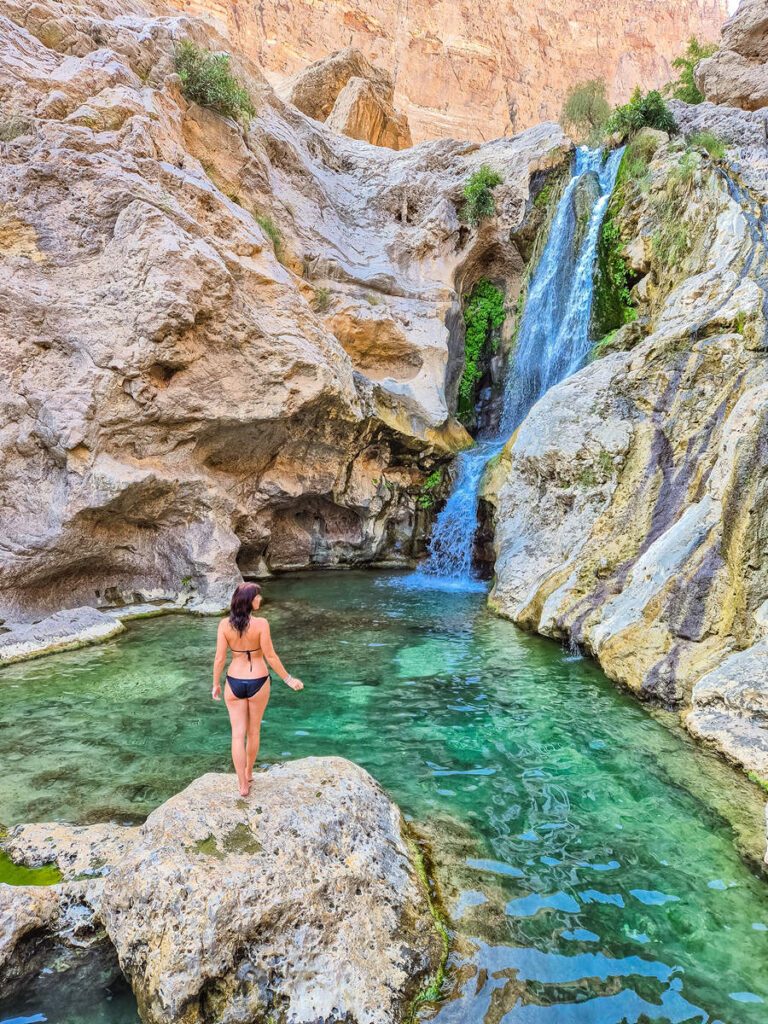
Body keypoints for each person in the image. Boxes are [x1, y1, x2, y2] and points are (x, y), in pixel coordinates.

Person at [213, 582, 303, 795]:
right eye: (257, 597)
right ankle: (249, 772)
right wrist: (288, 679)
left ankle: (242, 784)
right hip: (258, 681)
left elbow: (219, 658)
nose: (260, 600)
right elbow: (270, 656)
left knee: (237, 735)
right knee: (253, 731)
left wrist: (216, 683)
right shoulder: (261, 624)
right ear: (249, 601)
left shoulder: (224, 625)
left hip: (234, 681)